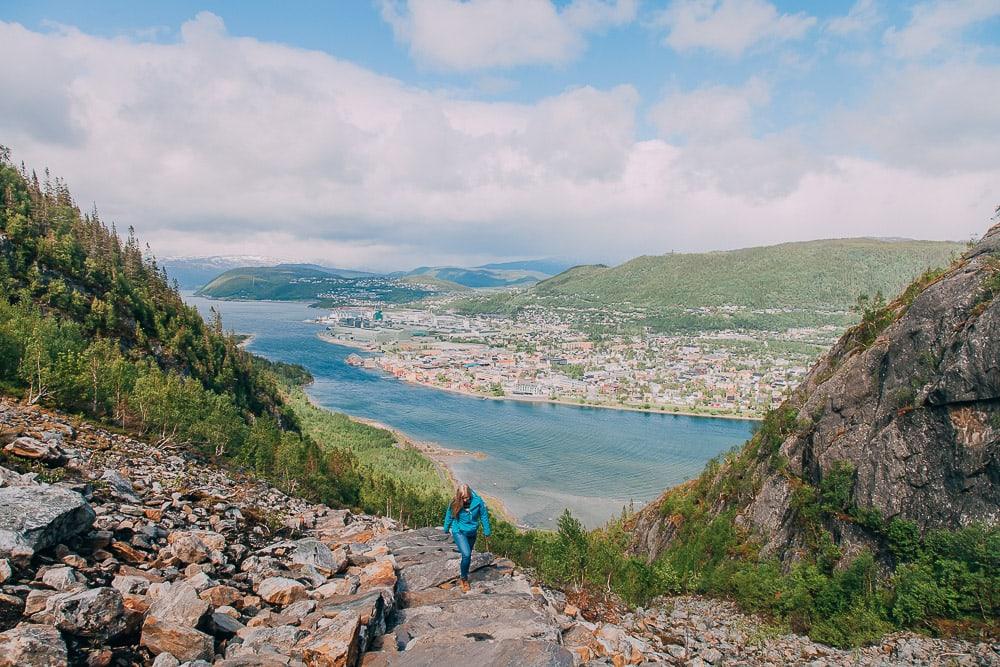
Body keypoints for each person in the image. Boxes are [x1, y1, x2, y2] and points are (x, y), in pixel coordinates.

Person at [442, 483, 491, 592]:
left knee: (467, 557)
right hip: (459, 531)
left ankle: (464, 571)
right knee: (467, 554)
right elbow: (449, 516)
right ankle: (464, 579)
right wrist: (446, 529)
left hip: (472, 532)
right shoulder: (455, 502)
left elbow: (483, 516)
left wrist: (487, 531)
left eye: (466, 497)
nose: (464, 500)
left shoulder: (478, 502)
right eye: (462, 498)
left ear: (470, 494)